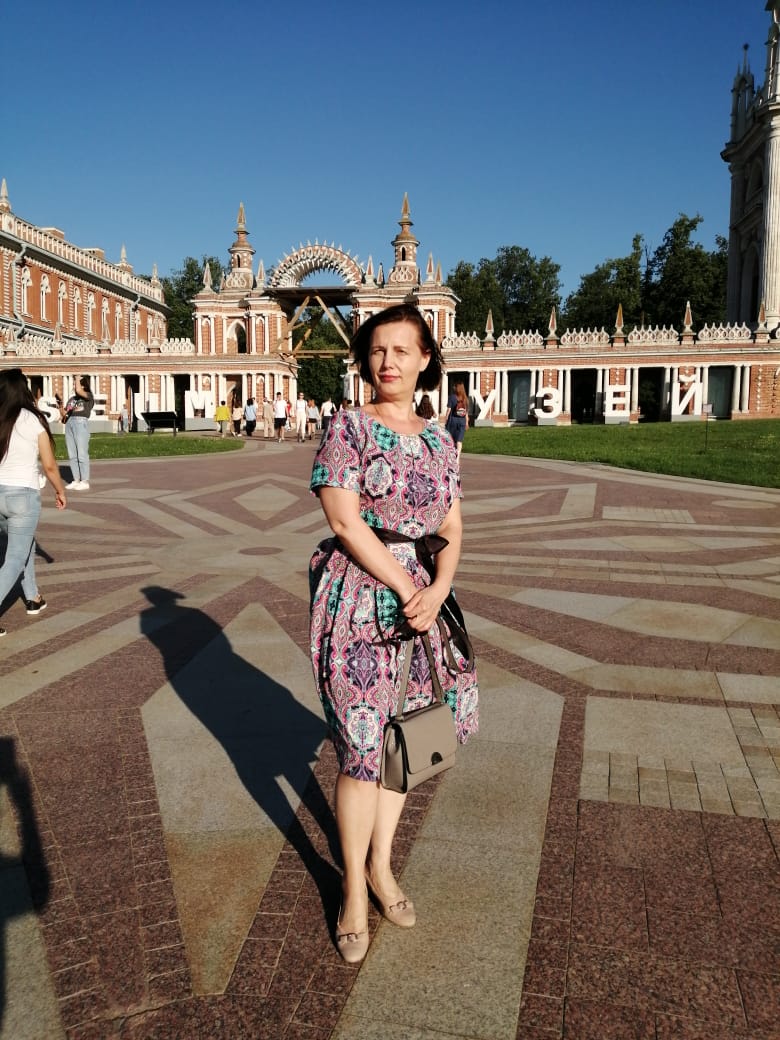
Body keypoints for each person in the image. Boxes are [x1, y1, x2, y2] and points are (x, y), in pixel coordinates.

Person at [309, 303, 479, 963]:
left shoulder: (440, 440)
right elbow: (345, 522)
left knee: (406, 742)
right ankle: (352, 889)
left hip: (425, 604)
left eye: (402, 350)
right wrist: (409, 586)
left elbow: (452, 527)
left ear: (425, 359)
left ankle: (382, 867)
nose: (388, 362)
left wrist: (437, 587)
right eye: (378, 350)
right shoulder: (348, 426)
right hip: (359, 597)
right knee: (361, 749)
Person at [0, 368, 67, 637]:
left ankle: (32, 597)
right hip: (23, 495)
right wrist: (60, 490)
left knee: (23, 544)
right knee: (15, 558)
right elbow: (49, 465)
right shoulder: (32, 419)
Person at [59, 375, 94, 489]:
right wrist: (60, 405)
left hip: (80, 423)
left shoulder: (88, 396)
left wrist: (77, 377)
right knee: (72, 454)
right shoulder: (72, 399)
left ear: (83, 385)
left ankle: (85, 481)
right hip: (69, 424)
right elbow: (64, 415)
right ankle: (76, 479)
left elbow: (79, 390)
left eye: (75, 384)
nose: (74, 386)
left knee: (82, 453)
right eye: (74, 384)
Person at [444, 381, 469, 459]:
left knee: (450, 439)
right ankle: (457, 458)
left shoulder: (452, 397)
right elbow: (466, 412)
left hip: (453, 420)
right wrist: (467, 422)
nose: (453, 387)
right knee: (459, 440)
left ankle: (451, 456)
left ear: (457, 388)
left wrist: (446, 418)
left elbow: (449, 409)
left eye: (454, 386)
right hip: (462, 421)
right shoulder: (465, 398)